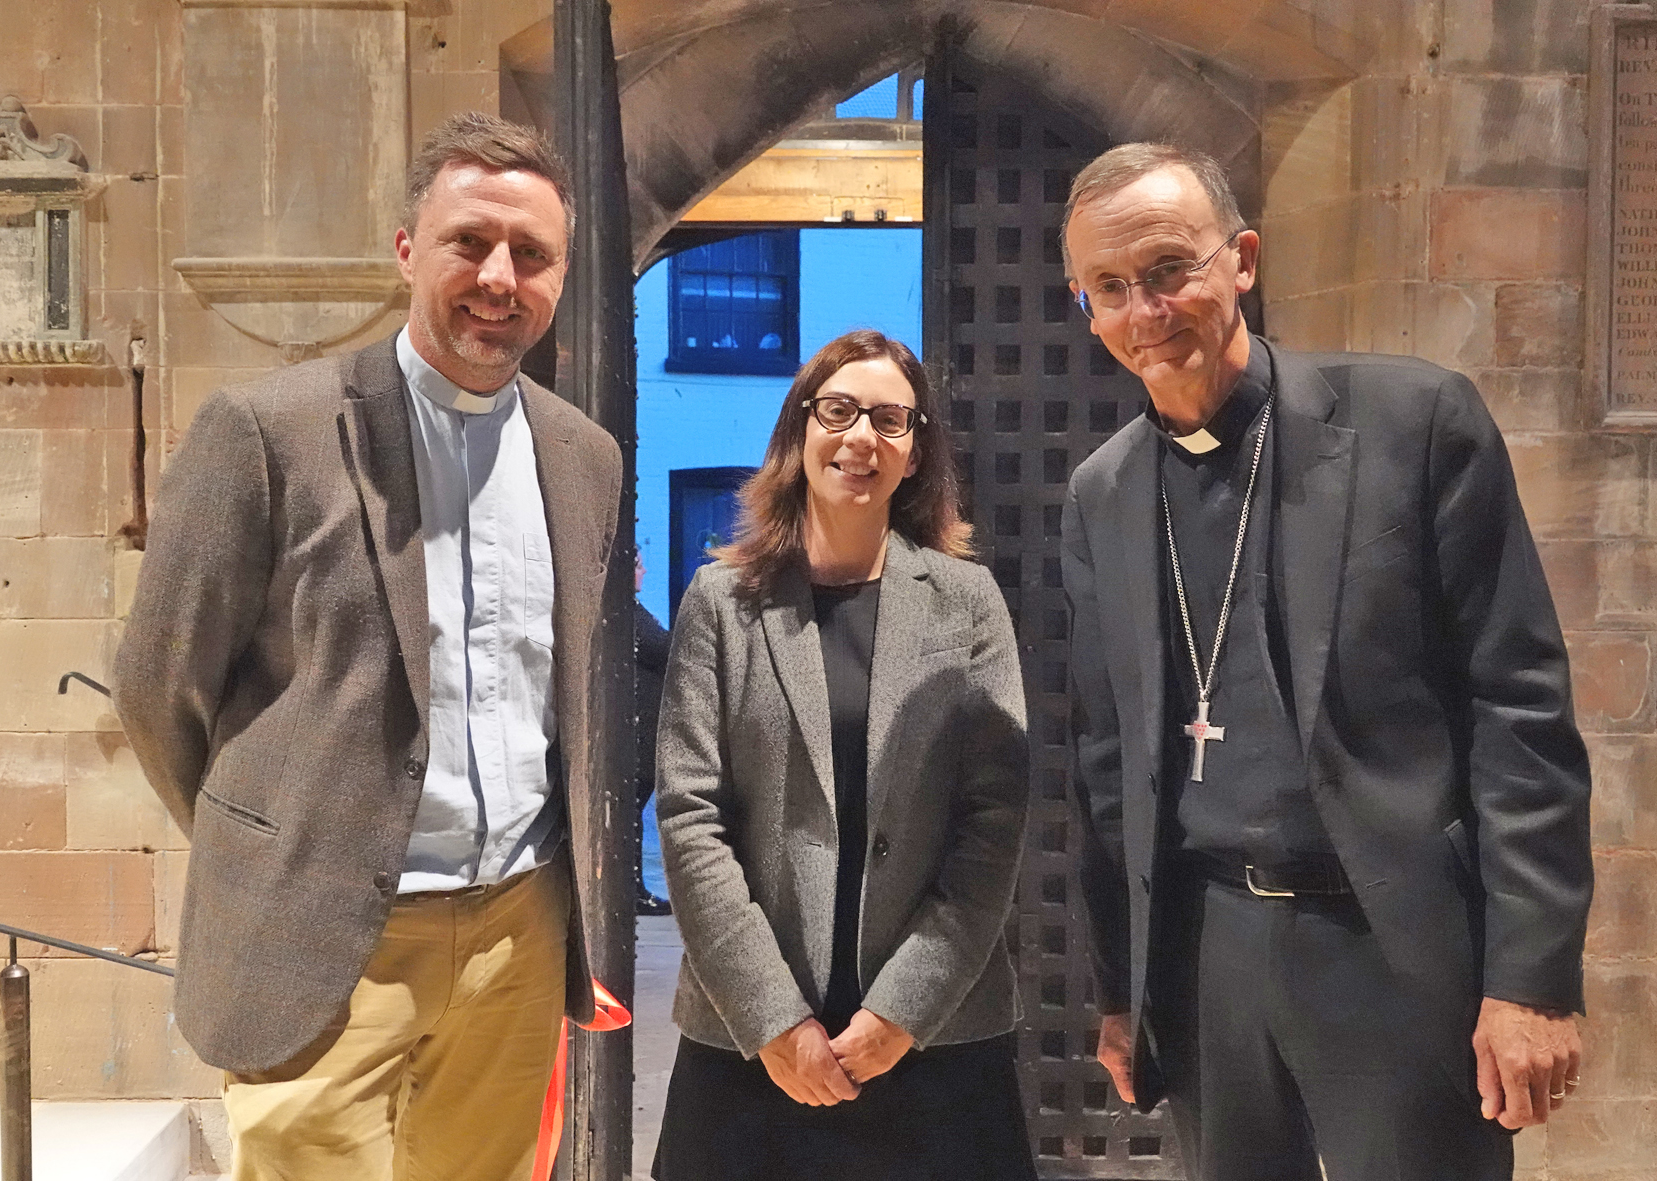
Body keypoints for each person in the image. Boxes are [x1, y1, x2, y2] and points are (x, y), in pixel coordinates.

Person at [1058, 143, 1592, 1181]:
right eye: (1109, 287)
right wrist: (1123, 988)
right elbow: (1107, 762)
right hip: (1205, 951)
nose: (1144, 309)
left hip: (1387, 941)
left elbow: (1516, 710)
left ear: (1241, 259)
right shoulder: (1101, 490)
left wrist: (1529, 975)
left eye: (1168, 269)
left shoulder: (1410, 421)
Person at [114, 112, 622, 1180]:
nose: (498, 276)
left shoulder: (585, 458)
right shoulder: (269, 431)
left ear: (561, 275)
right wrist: (279, 839)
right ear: (406, 250)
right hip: (329, 936)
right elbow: (162, 686)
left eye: (531, 255)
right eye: (469, 242)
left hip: (517, 931)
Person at [652, 329, 1036, 1181]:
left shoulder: (966, 602)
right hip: (750, 1041)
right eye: (839, 410)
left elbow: (993, 819)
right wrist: (772, 1017)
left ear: (914, 453)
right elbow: (689, 815)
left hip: (930, 1040)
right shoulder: (723, 602)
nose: (862, 436)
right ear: (799, 432)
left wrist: (904, 1009)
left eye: (890, 419)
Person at [633, 546, 673, 915]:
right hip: (636, 734)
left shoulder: (634, 613)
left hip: (643, 731)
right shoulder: (629, 615)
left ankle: (636, 888)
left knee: (633, 811)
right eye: (641, 565)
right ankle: (634, 890)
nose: (644, 572)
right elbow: (667, 649)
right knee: (630, 812)